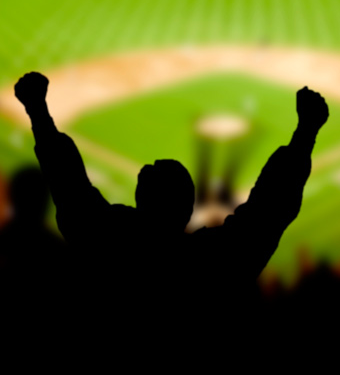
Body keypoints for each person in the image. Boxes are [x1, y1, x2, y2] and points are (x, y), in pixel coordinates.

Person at [13, 72, 328, 316]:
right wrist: (306, 132)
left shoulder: (106, 244)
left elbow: (69, 186)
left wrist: (38, 112)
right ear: (187, 209)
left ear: (139, 200)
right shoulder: (214, 264)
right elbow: (268, 213)